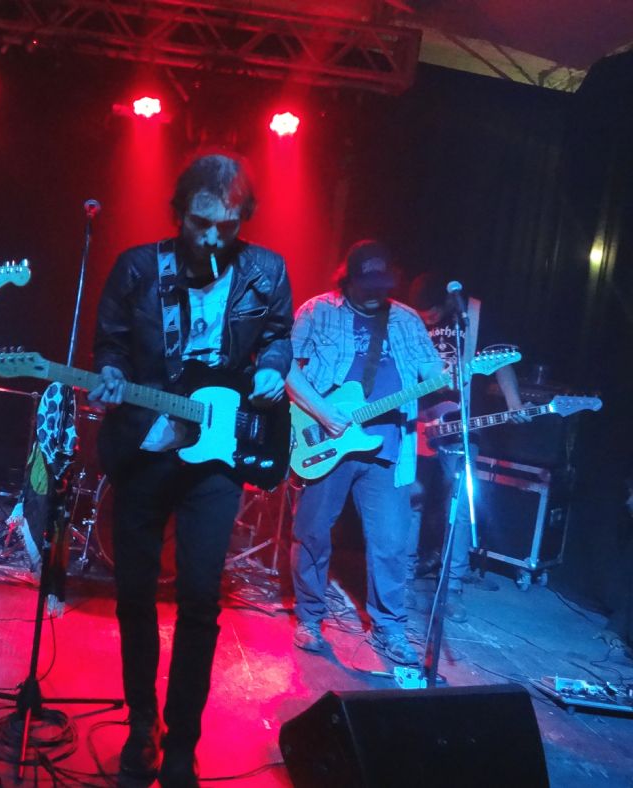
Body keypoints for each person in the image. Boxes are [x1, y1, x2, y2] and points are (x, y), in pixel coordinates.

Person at [89, 153, 292, 786]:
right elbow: (110, 341)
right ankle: (140, 725)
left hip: (218, 452)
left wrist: (273, 367)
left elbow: (278, 334)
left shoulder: (266, 270)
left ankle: (183, 742)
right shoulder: (137, 267)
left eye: (226, 227)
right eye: (200, 223)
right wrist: (112, 372)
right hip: (146, 444)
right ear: (178, 212)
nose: (211, 238)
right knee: (134, 597)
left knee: (201, 601)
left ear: (243, 220)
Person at [285, 240, 442, 666]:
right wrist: (323, 412)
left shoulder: (406, 320)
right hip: (326, 438)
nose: (375, 293)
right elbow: (285, 368)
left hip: (388, 446)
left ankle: (390, 628)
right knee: (312, 531)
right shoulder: (318, 311)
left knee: (391, 541)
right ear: (347, 279)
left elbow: (432, 372)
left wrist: (455, 377)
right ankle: (309, 618)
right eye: (366, 284)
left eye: (382, 285)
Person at [407, 273, 528, 622]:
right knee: (412, 500)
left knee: (459, 508)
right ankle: (402, 578)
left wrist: (514, 403)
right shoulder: (407, 317)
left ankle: (452, 588)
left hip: (461, 424)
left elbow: (501, 360)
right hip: (415, 422)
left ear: (447, 301)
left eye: (432, 314)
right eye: (423, 316)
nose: (428, 320)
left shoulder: (472, 314)